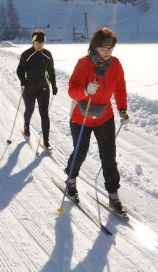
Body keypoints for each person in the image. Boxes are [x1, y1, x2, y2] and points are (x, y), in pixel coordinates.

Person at [64, 27, 129, 214]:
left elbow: (120, 88)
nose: (107, 53)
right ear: (95, 47)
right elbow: (71, 90)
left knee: (109, 155)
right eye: (104, 48)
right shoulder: (83, 64)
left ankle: (113, 194)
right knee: (81, 151)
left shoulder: (115, 65)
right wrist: (84, 90)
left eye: (110, 49)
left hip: (104, 116)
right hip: (81, 116)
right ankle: (71, 179)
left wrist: (122, 109)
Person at [16, 29, 57, 150]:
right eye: (37, 42)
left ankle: (46, 141)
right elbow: (19, 70)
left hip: (43, 87)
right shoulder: (26, 54)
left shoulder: (47, 54)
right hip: (29, 87)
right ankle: (26, 126)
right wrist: (23, 81)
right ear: (33, 41)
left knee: (44, 113)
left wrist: (53, 85)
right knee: (30, 109)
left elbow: (51, 71)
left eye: (42, 42)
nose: (40, 44)